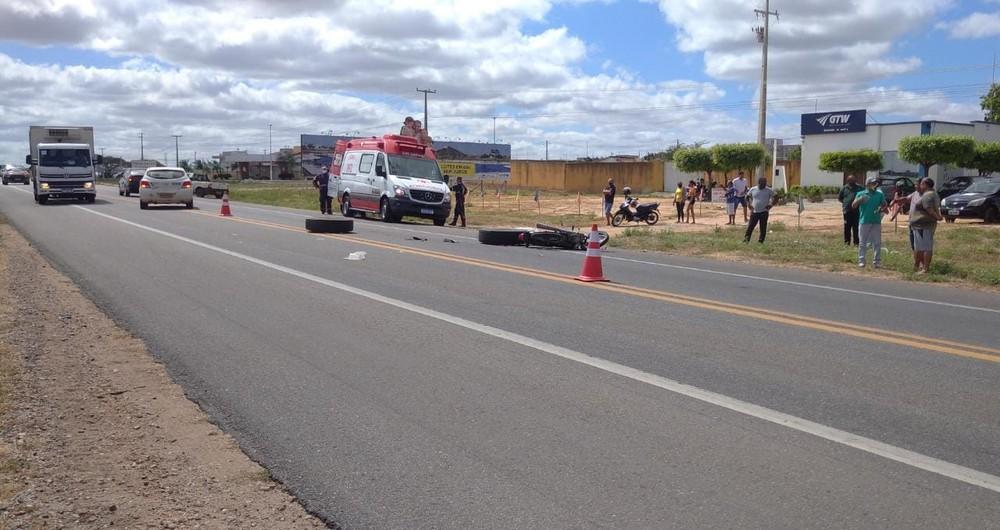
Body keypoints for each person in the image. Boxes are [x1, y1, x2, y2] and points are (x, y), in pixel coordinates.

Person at [908, 178, 944, 274]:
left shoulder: (928, 195)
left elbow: (929, 209)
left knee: (925, 247)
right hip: (920, 225)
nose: (919, 186)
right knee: (920, 247)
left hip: (924, 225)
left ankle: (925, 269)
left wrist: (938, 217)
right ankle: (918, 267)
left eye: (921, 184)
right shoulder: (932, 194)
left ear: (925, 185)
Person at [851, 176, 888, 268]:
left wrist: (881, 208)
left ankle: (877, 261)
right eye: (873, 183)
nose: (875, 185)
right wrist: (860, 200)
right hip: (864, 221)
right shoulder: (861, 193)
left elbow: (884, 205)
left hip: (876, 221)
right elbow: (853, 205)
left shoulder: (879, 194)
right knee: (863, 242)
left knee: (877, 242)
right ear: (867, 184)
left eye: (875, 183)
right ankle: (862, 260)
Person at [744, 177, 776, 243]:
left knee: (763, 228)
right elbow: (747, 196)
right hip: (754, 212)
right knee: (750, 227)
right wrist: (749, 204)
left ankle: (760, 241)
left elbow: (776, 196)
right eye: (763, 183)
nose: (764, 184)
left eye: (765, 183)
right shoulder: (753, 189)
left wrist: (771, 205)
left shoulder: (768, 190)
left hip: (764, 212)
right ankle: (746, 240)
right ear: (759, 183)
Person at [838, 175, 863, 246]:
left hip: (857, 211)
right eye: (850, 180)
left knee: (856, 227)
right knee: (847, 227)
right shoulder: (844, 188)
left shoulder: (860, 188)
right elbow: (840, 198)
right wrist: (846, 202)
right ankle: (847, 242)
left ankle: (856, 242)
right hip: (847, 211)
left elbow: (864, 195)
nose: (852, 181)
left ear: (855, 180)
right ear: (848, 181)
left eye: (853, 180)